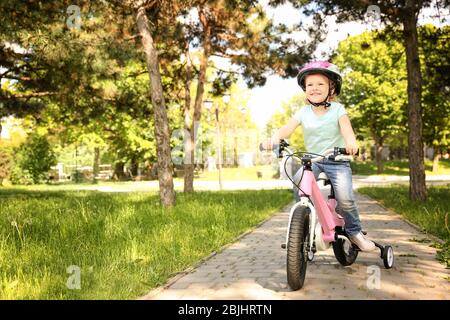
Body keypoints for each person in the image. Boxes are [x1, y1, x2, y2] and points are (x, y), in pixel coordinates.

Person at [261, 60, 375, 251]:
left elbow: (347, 130)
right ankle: (306, 222)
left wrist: (351, 143)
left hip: (337, 160)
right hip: (313, 159)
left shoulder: (338, 110)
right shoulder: (303, 112)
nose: (314, 88)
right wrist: (271, 140)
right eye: (310, 85)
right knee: (298, 184)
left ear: (331, 87)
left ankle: (354, 232)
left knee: (345, 198)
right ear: (305, 89)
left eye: (320, 84)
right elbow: (286, 129)